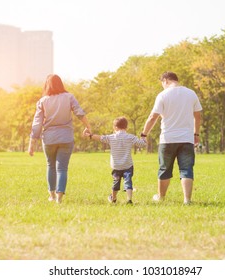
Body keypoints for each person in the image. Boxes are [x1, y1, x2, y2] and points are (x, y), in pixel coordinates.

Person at [141, 71, 202, 205]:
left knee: (164, 168)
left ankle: (161, 197)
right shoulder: (191, 93)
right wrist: (196, 134)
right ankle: (187, 200)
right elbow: (197, 116)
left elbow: (153, 117)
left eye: (162, 83)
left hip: (167, 139)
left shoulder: (163, 95)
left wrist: (144, 134)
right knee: (186, 169)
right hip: (187, 139)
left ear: (165, 81)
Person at [28, 74, 91, 204]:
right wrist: (88, 127)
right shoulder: (69, 97)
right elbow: (79, 112)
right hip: (66, 138)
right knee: (62, 168)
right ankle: (59, 198)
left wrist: (32, 143)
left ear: (47, 85)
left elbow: (37, 123)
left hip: (49, 139)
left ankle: (51, 195)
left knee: (51, 166)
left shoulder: (43, 101)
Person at [84, 117, 146, 204]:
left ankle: (113, 199)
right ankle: (129, 199)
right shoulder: (131, 137)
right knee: (128, 181)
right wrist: (143, 136)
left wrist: (90, 135)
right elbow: (142, 144)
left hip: (116, 166)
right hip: (127, 165)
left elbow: (100, 138)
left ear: (115, 127)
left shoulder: (111, 137)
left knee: (116, 181)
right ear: (126, 127)